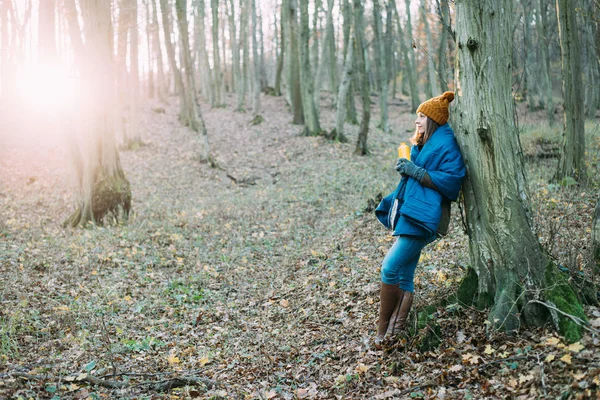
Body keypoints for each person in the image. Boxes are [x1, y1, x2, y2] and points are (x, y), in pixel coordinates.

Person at [374, 91, 466, 348]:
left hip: (425, 217)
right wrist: (408, 165)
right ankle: (393, 333)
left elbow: (453, 180)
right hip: (414, 211)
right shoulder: (426, 143)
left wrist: (416, 171)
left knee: (389, 267)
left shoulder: (446, 143)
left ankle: (382, 332)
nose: (417, 121)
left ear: (434, 120)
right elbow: (419, 173)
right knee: (404, 275)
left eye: (422, 116)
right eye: (417, 116)